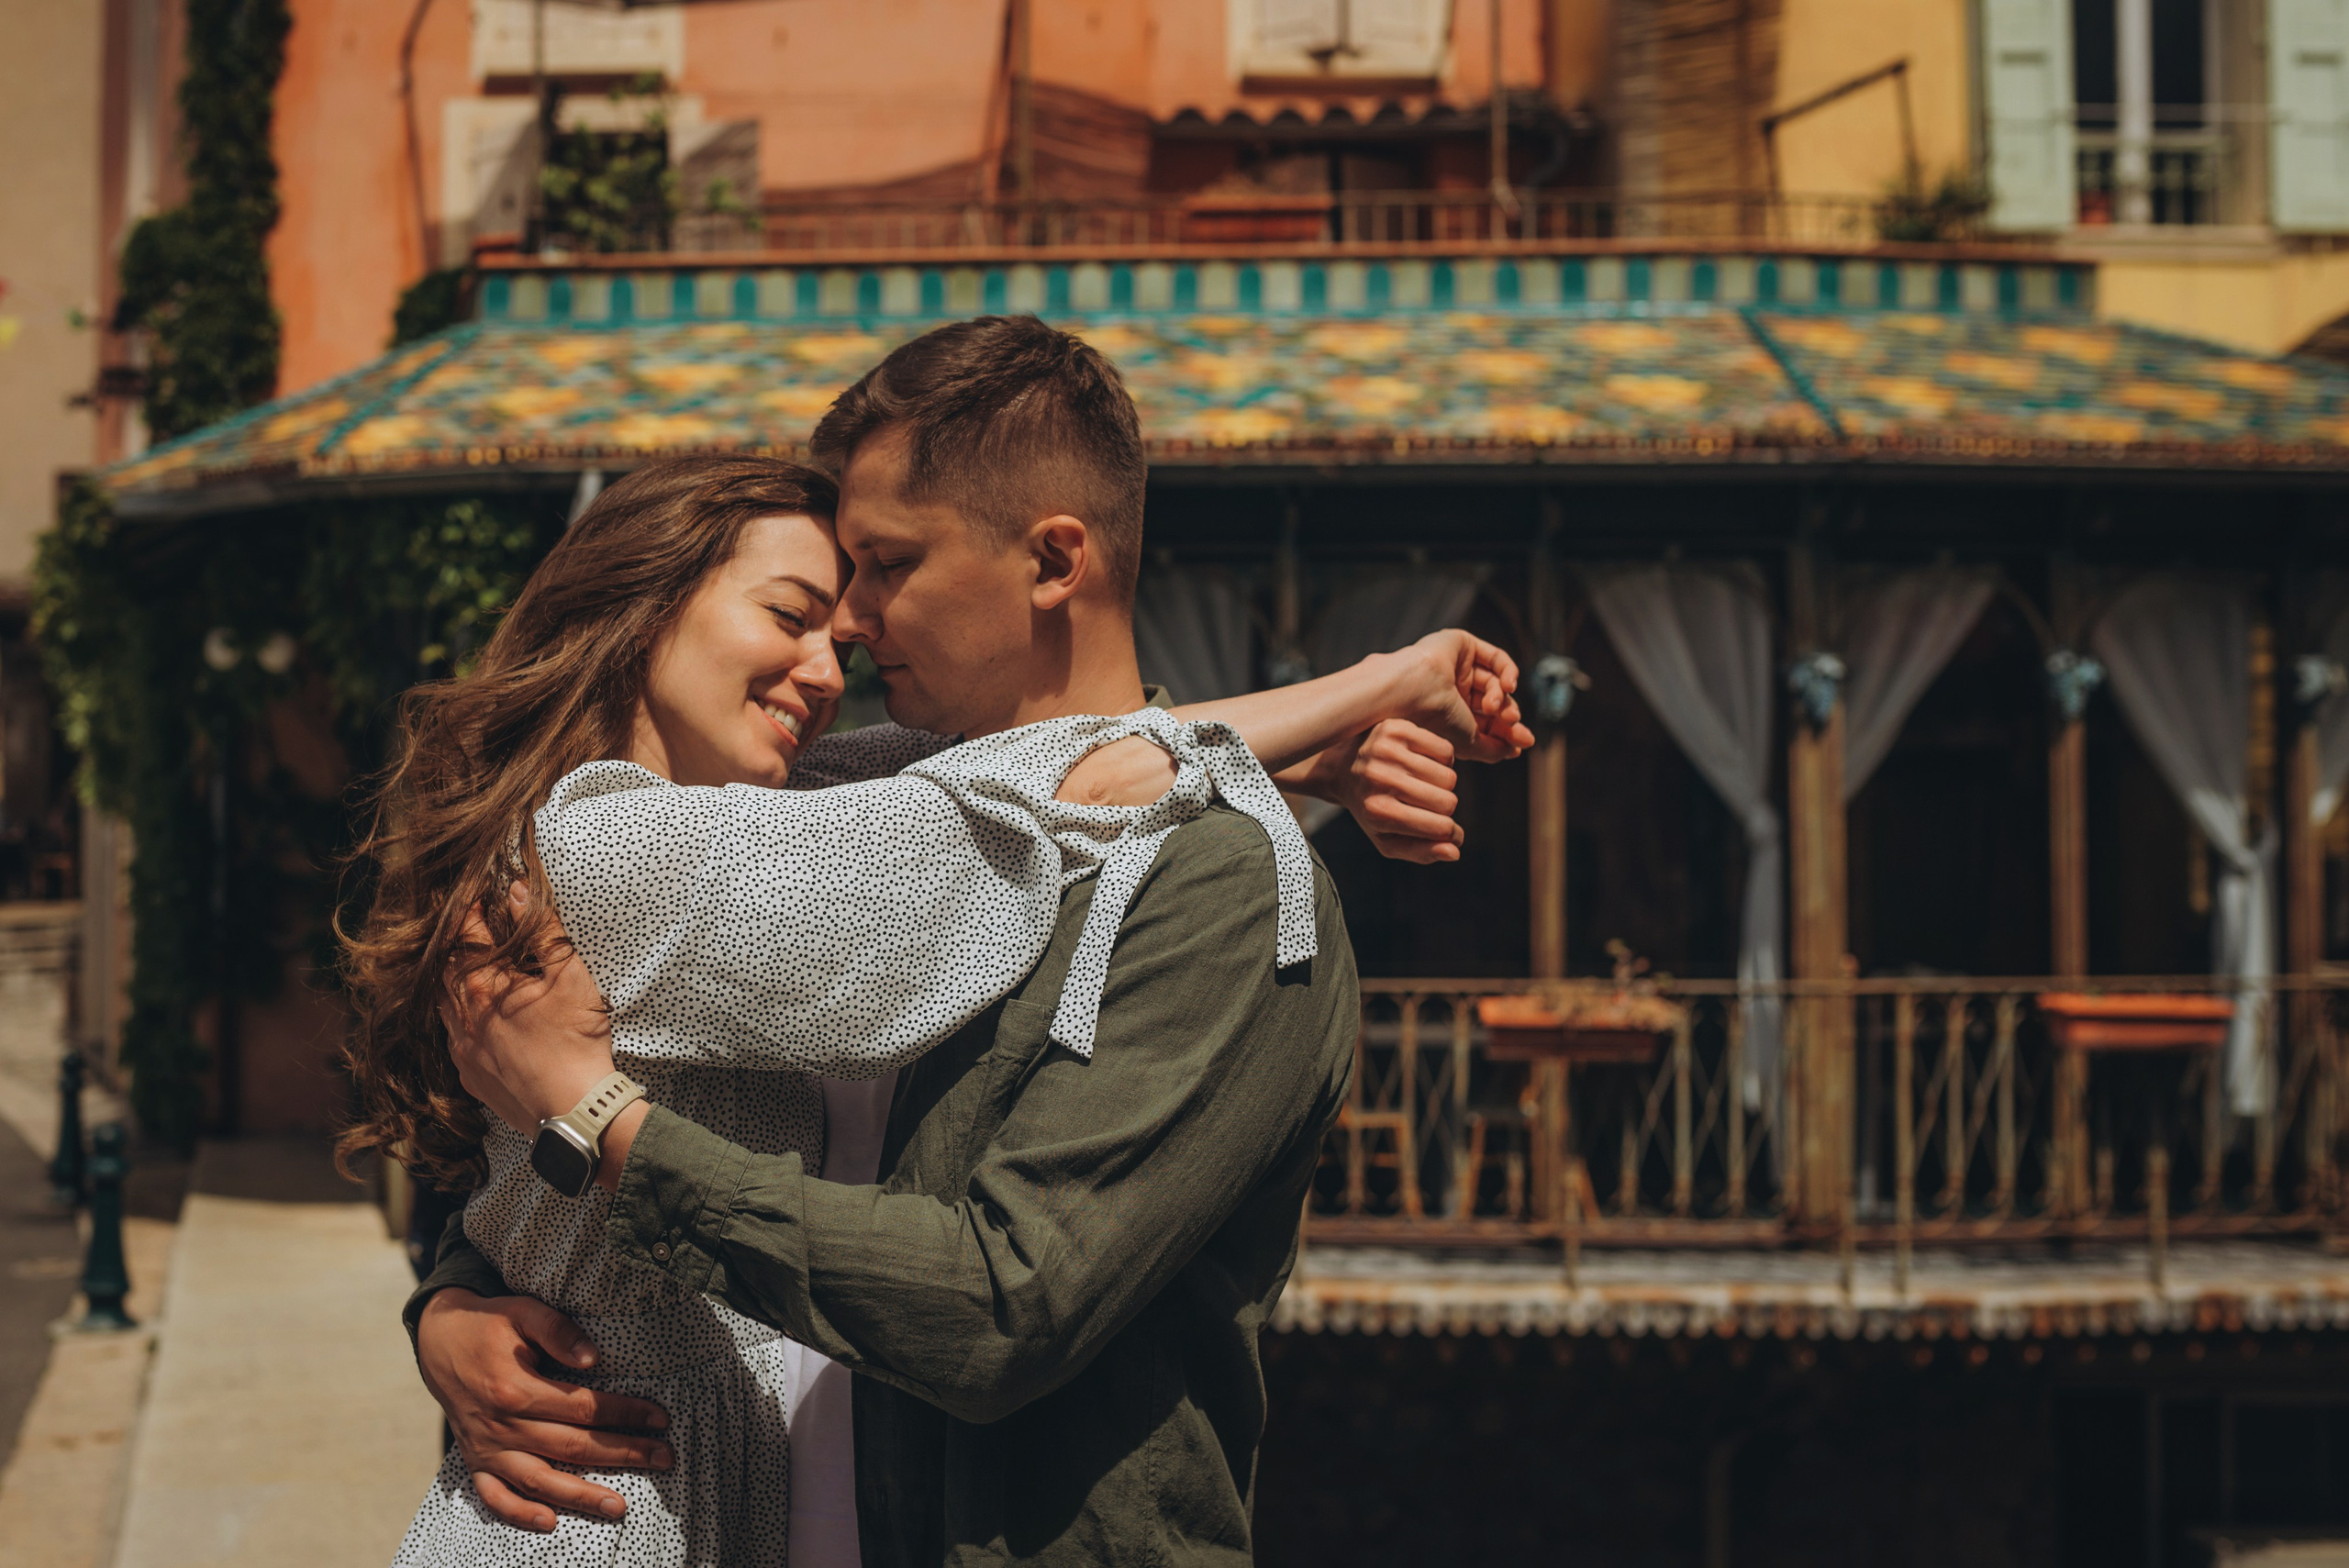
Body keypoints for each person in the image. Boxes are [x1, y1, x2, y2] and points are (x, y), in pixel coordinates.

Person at [375, 371, 1529, 1562]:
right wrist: (1381, 682)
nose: (841, 651)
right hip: (613, 1500)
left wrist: (1286, 763)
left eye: (874, 581)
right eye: (796, 612)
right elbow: (1020, 798)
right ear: (640, 608)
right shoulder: (615, 842)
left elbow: (1039, 770)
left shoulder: (805, 811)